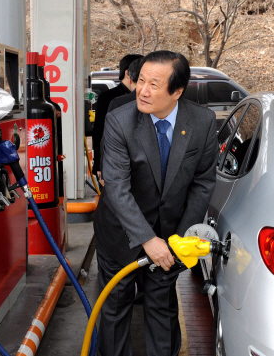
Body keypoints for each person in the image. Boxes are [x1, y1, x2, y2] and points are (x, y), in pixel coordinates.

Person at [93, 50, 217, 356]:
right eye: (141, 81)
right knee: (116, 306)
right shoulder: (119, 121)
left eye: (154, 84)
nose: (142, 90)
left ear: (176, 91)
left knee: (161, 305)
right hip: (121, 232)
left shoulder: (201, 122)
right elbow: (117, 188)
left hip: (170, 233)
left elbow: (203, 182)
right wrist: (148, 239)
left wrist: (180, 238)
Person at [92, 54, 142, 184]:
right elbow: (99, 132)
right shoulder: (108, 98)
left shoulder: (145, 97)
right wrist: (99, 164)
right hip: (114, 162)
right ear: (128, 73)